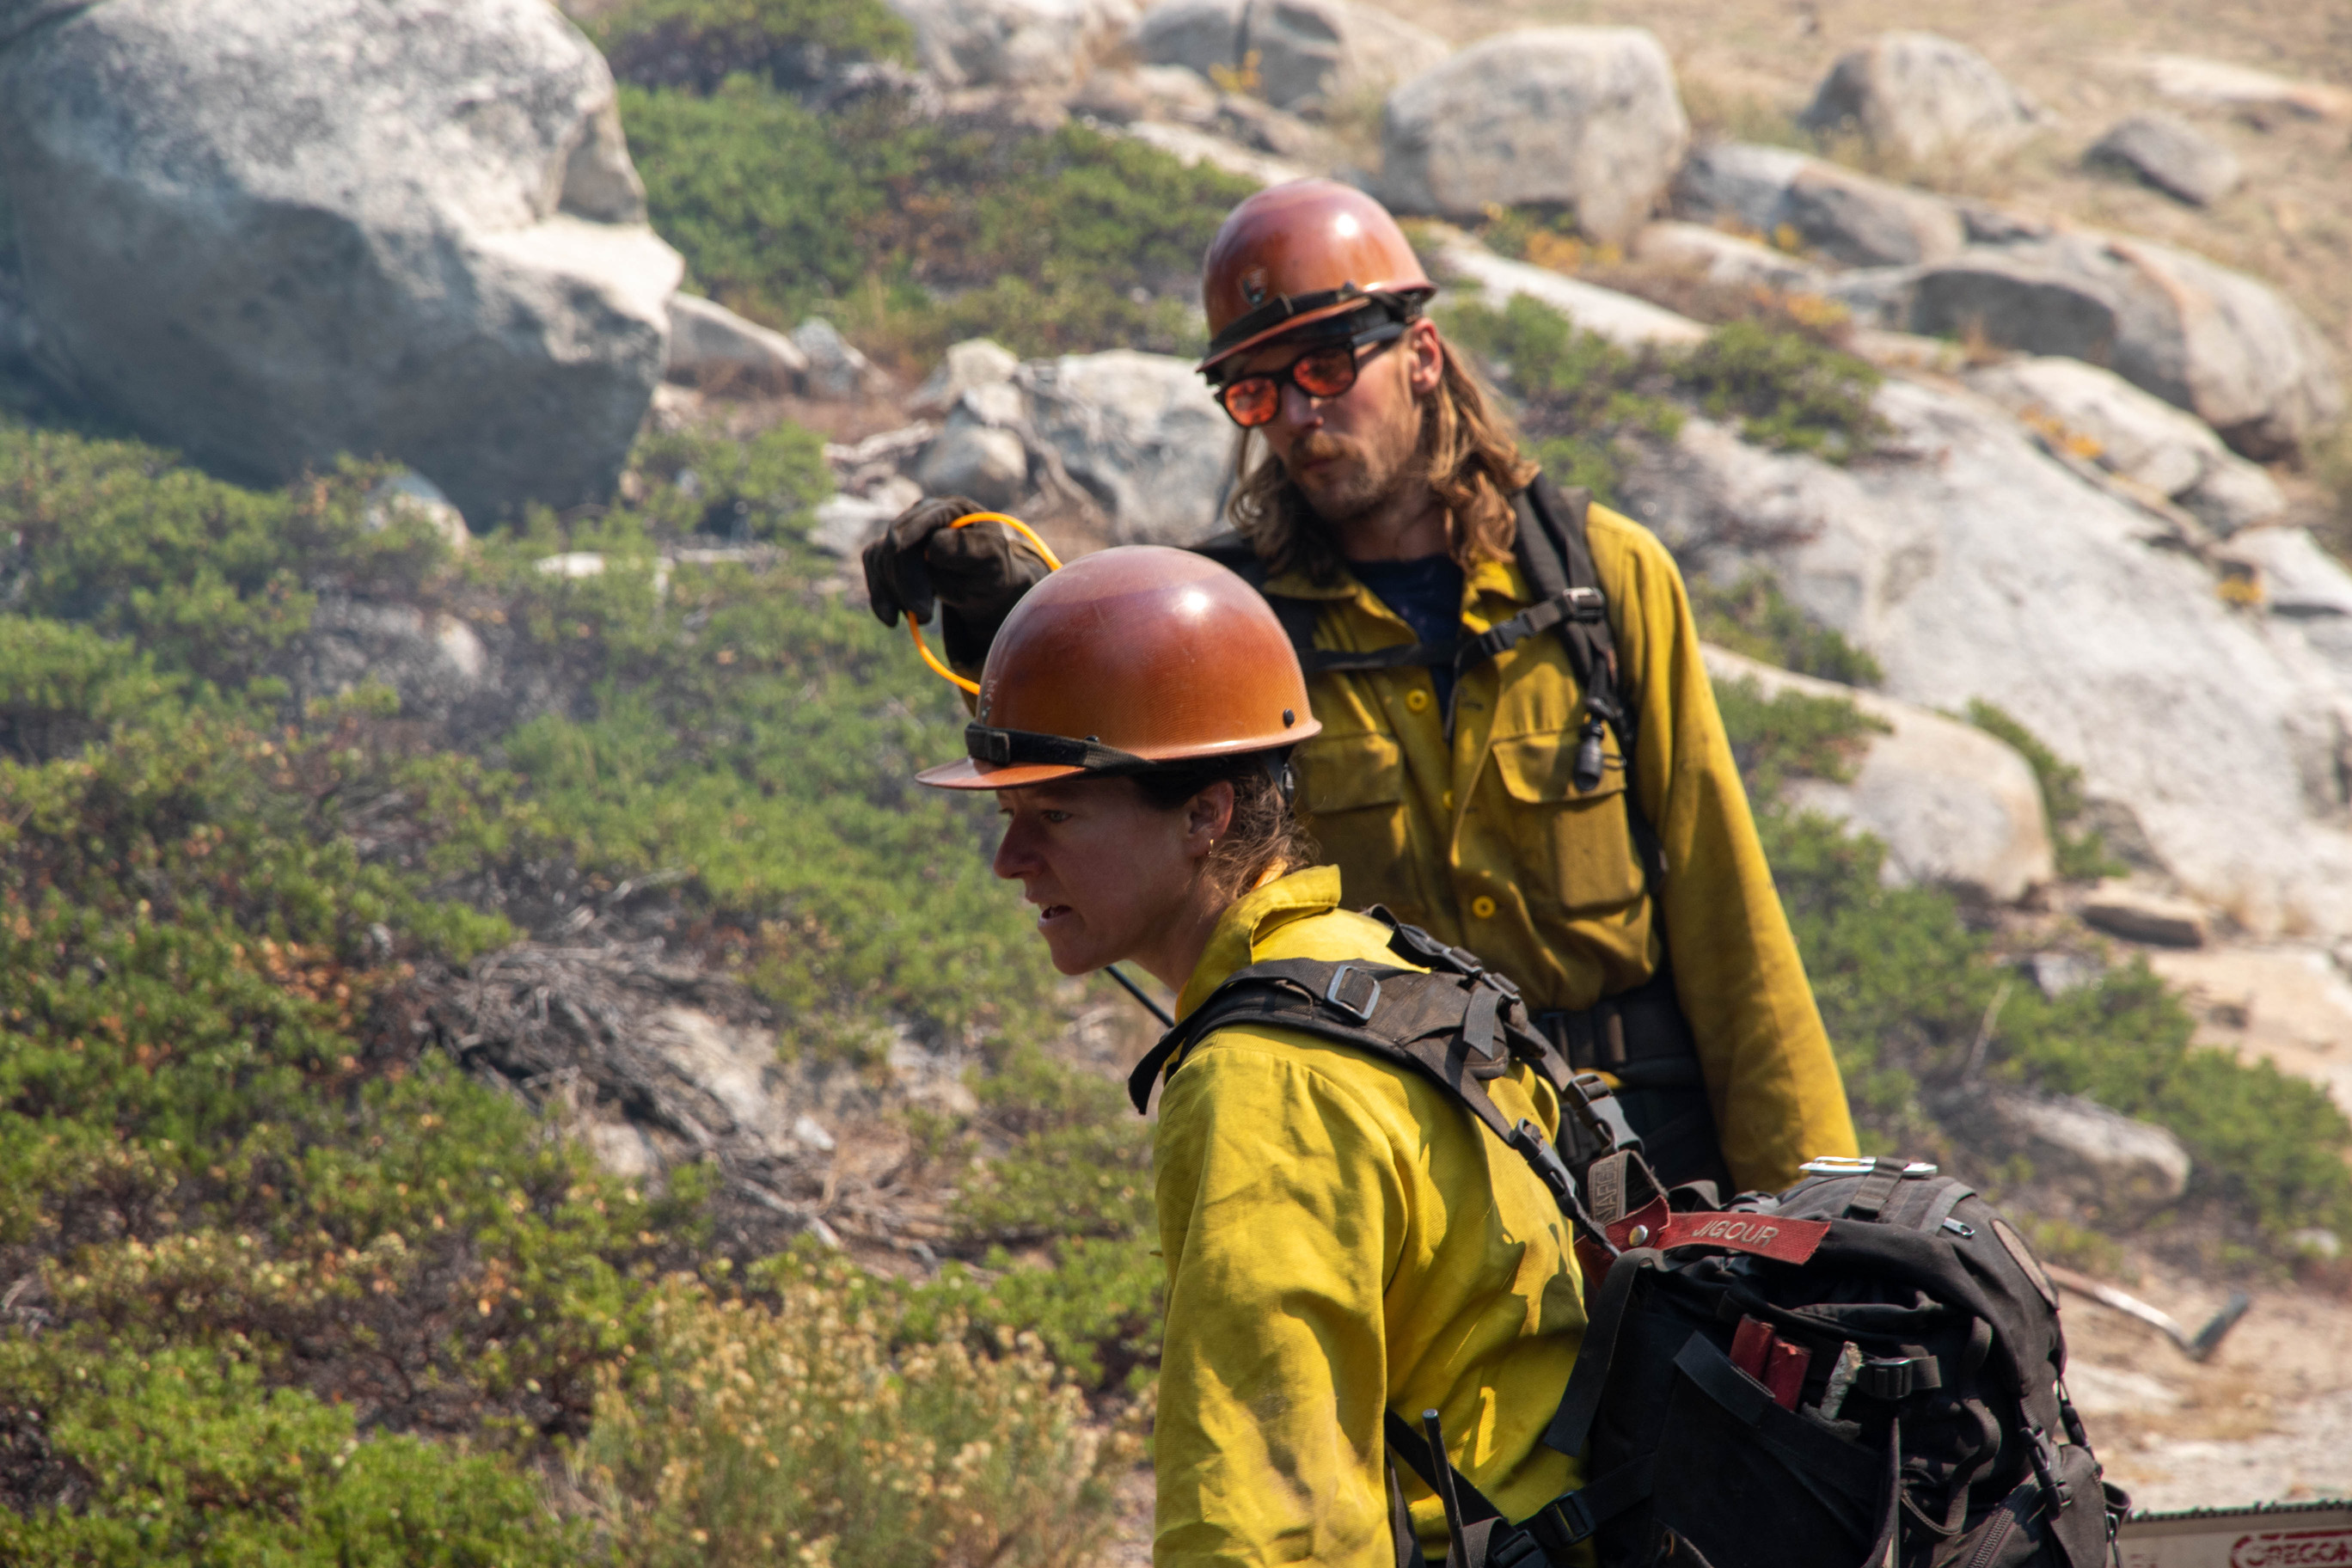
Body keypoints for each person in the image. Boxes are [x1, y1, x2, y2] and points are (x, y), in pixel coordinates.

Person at [868, 179, 1857, 1196]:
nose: (1297, 416)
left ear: (1422, 355)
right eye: (1255, 392)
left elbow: (1727, 920)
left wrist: (1816, 1214)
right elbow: (1127, 803)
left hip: (1651, 1160)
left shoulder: (1603, 579)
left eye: (1328, 367)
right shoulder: (1238, 629)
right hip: (1401, 1162)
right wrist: (1013, 634)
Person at [916, 545, 1584, 1566]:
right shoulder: (1381, 969)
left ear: (1205, 813)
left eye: (1051, 815)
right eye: (1008, 817)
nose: (1009, 860)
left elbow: (1269, 1516)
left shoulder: (1265, 1077)